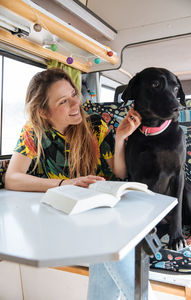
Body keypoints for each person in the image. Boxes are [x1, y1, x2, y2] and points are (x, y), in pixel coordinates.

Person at [5, 68, 141, 300]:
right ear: (44, 112)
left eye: (74, 94)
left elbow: (120, 171)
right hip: (61, 221)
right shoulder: (33, 132)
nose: (75, 103)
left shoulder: (96, 125)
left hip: (102, 214)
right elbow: (12, 178)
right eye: (63, 101)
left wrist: (119, 139)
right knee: (110, 247)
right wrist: (65, 184)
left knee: (109, 246)